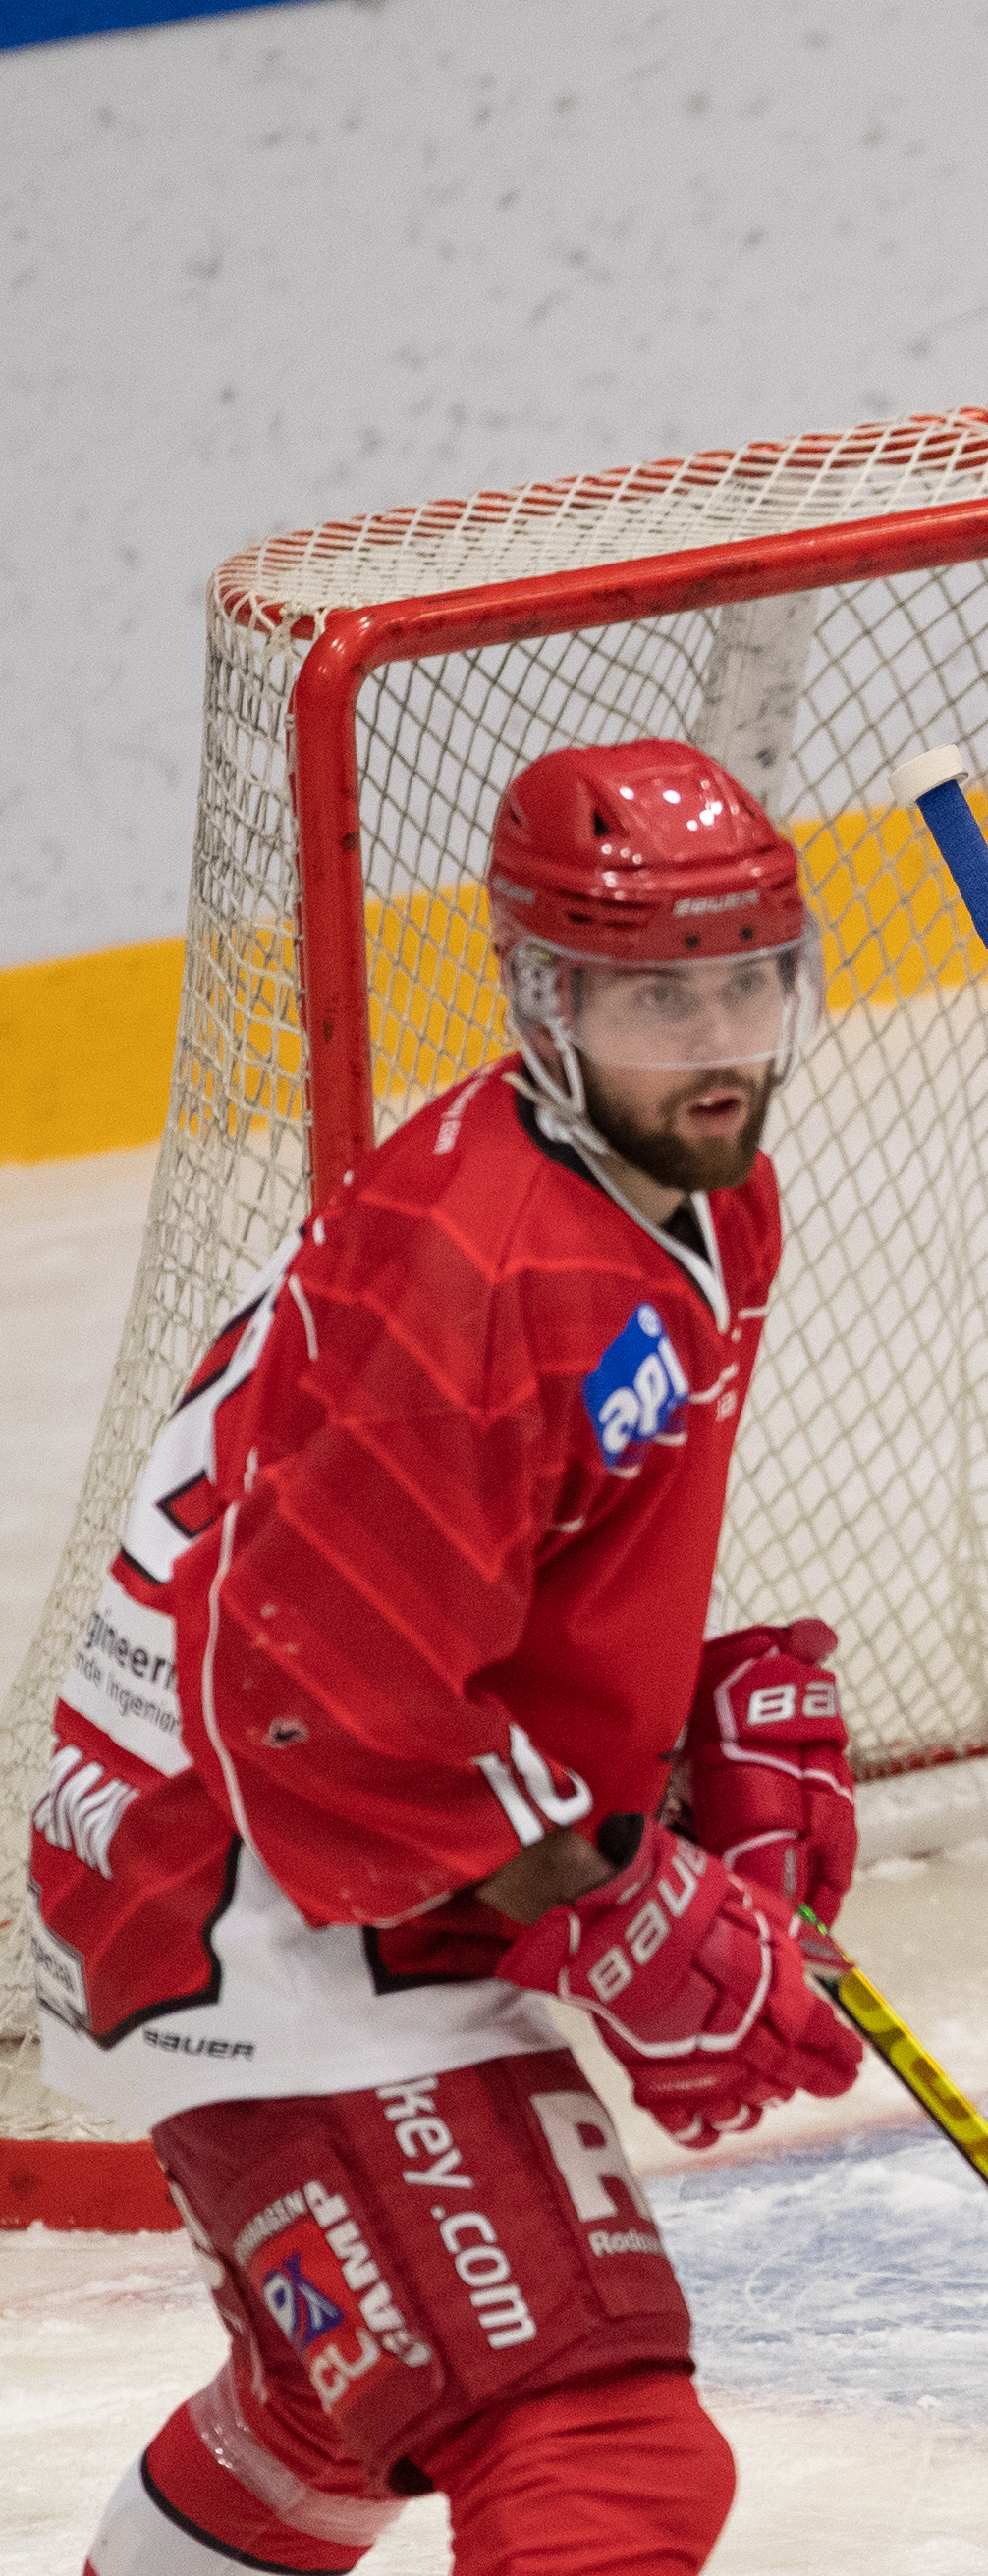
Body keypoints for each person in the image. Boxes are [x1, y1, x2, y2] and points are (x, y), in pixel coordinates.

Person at [34, 742, 867, 2576]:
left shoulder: (709, 1195)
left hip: (287, 1846)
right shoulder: (477, 1268)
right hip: (248, 1890)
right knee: (600, 2443)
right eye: (655, 1000)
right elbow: (332, 1710)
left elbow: (499, 1577)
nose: (716, 1045)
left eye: (746, 984)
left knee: (332, 2414)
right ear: (543, 999)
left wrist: (673, 1731)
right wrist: (618, 1901)